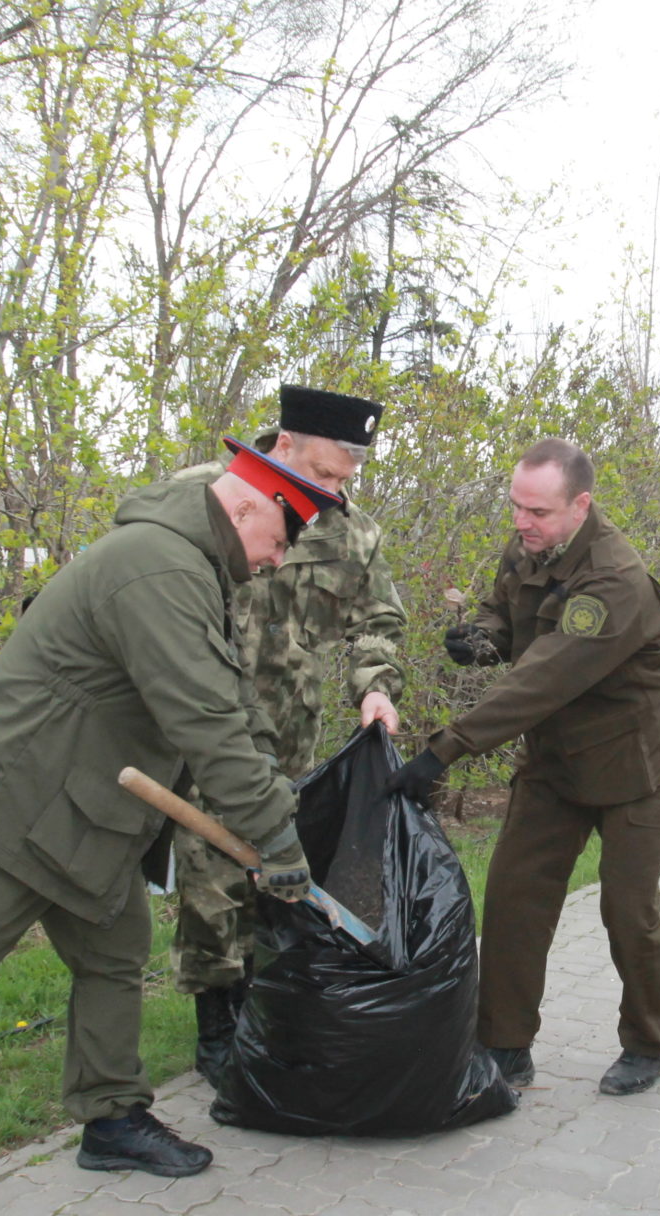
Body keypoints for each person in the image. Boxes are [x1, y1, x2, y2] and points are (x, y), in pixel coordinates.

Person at [0, 439, 344, 1216]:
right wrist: (277, 843)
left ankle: (111, 1117)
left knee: (112, 957)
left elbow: (232, 707)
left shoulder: (191, 566)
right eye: (275, 543)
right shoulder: (157, 568)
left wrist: (279, 803)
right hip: (15, 807)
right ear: (245, 510)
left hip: (92, 812)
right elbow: (202, 722)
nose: (272, 564)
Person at [382, 438, 660, 1098]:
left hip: (632, 762)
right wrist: (481, 636)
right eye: (516, 506)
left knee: (628, 911)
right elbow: (510, 613)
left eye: (538, 511)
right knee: (516, 898)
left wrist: (444, 748)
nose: (522, 522)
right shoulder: (529, 544)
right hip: (555, 759)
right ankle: (504, 1045)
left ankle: (647, 1041)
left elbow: (545, 676)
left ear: (581, 505)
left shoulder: (615, 578)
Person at [170, 386, 405, 1078]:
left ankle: (260, 1007)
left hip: (291, 741)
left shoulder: (351, 532)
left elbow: (379, 622)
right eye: (323, 473)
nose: (332, 490)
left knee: (273, 878)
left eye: (344, 479)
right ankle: (215, 1026)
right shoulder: (205, 500)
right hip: (207, 732)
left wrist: (377, 689)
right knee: (210, 881)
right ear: (283, 445)